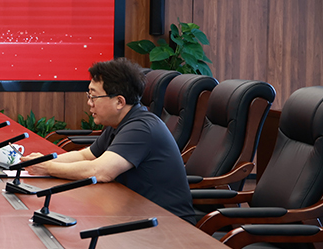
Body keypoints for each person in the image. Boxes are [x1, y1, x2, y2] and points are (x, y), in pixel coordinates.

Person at [24, 58, 195, 222]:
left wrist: (48, 168)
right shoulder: (119, 122)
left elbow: (100, 171)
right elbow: (86, 155)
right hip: (135, 211)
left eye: (94, 96)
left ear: (119, 102)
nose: (89, 103)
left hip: (168, 223)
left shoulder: (141, 128)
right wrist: (43, 161)